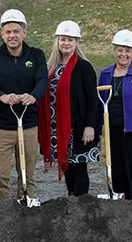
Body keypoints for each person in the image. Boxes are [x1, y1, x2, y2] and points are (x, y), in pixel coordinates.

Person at [0, 9, 48, 201]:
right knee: (1, 175)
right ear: (2, 34)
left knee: (27, 173)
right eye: (8, 32)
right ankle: (5, 211)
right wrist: (1, 96)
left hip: (28, 124)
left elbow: (43, 80)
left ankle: (26, 207)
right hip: (2, 126)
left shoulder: (36, 55)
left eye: (16, 31)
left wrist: (33, 96)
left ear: (24, 33)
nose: (12, 35)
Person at [38, 21, 99, 196]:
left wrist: (90, 126)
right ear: (57, 41)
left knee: (79, 167)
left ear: (76, 42)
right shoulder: (50, 68)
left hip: (78, 127)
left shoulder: (84, 67)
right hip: (57, 127)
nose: (66, 43)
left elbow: (92, 100)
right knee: (68, 167)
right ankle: (71, 200)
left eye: (70, 40)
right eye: (63, 39)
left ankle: (81, 203)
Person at [97, 30, 132, 199]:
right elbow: (100, 104)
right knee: (116, 167)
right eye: (120, 50)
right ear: (114, 51)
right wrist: (99, 130)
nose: (123, 54)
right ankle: (120, 201)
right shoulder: (106, 74)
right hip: (112, 131)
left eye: (127, 51)